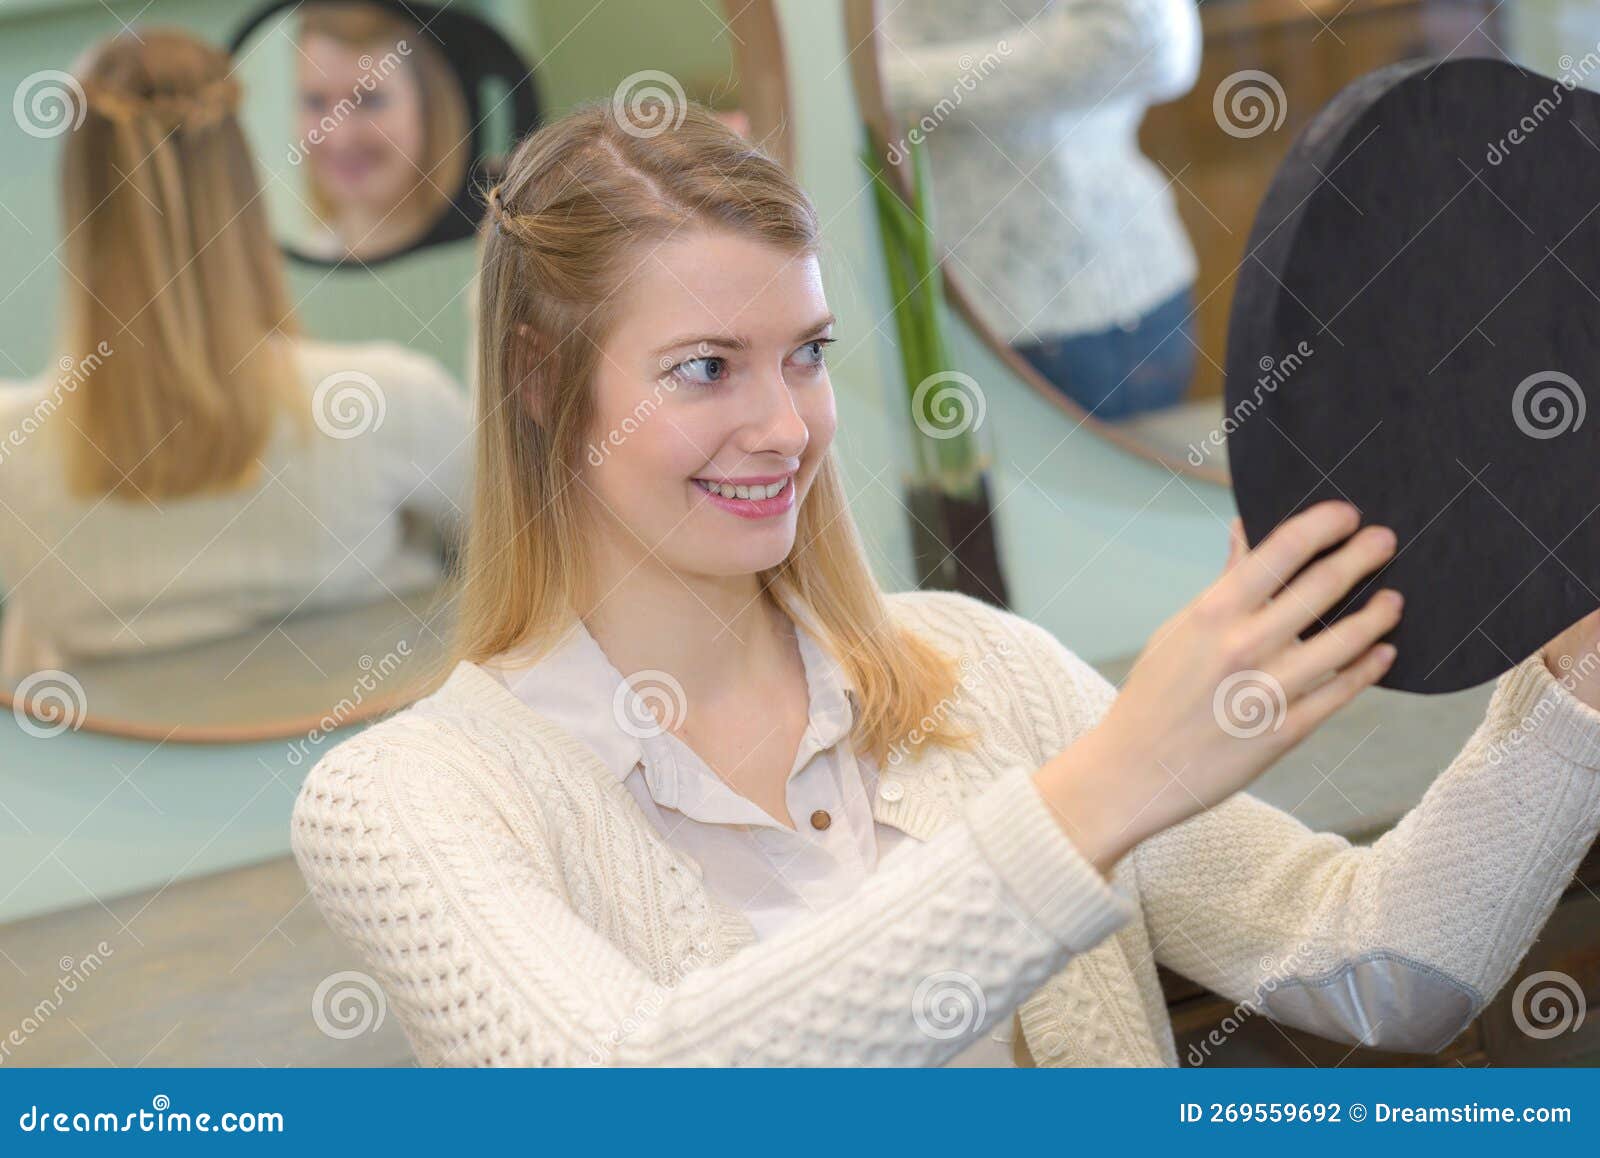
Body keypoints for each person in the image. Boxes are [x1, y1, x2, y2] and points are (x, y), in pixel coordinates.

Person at [291, 100, 1600, 1067]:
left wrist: (1579, 683)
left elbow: (1378, 963)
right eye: (705, 367)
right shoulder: (405, 803)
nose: (783, 426)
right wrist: (1117, 778)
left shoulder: (979, 669)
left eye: (805, 354)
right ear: (538, 380)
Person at [0, 29, 470, 677]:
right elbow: (535, 574)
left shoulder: (13, 447)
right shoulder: (390, 400)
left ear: (77, 205)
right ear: (244, 183)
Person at [878, 0, 1202, 421]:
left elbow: (1148, 36)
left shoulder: (884, 77)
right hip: (927, 298)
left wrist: (884, 81)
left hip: (1068, 308)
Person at [292, 4, 469, 261]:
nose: (339, 137)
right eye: (316, 102)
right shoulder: (294, 276)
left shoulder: (487, 261)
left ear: (428, 107)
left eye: (369, 100)